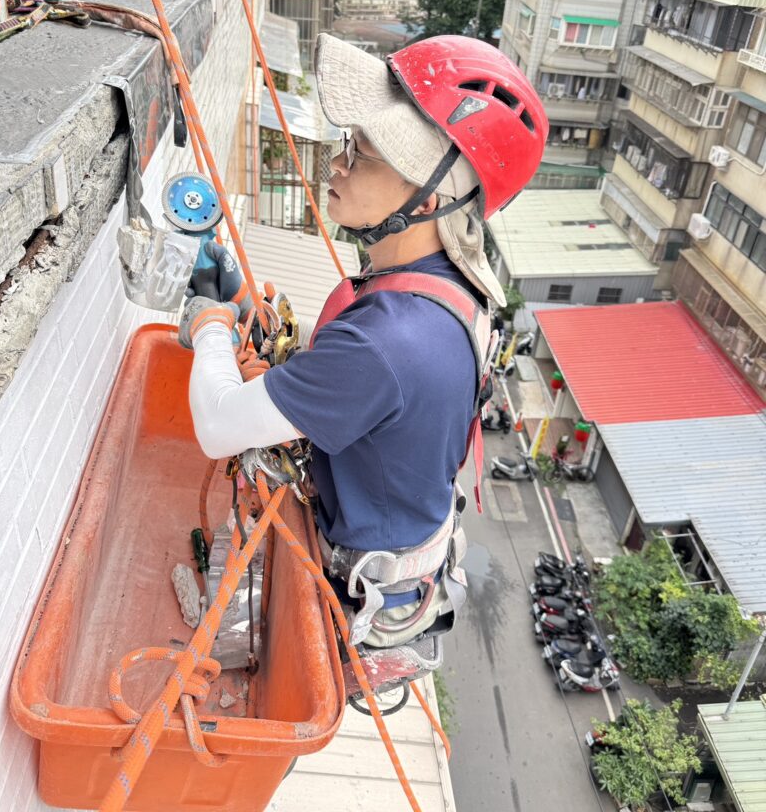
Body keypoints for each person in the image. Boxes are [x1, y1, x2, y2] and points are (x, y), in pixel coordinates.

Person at [179, 33, 548, 648]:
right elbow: (363, 387)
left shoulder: (390, 341)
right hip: (408, 541)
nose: (337, 164)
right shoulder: (446, 288)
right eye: (348, 143)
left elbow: (217, 424)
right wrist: (245, 303)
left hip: (362, 593)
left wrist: (210, 324)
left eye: (364, 152)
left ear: (430, 197)